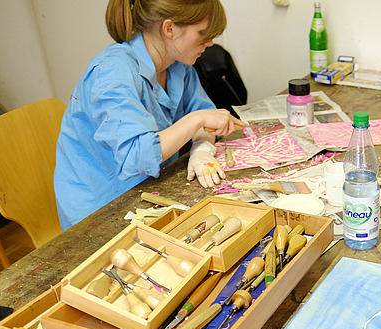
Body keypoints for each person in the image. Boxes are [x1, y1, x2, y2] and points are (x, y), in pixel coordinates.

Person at [54, 0, 245, 229]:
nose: (211, 43)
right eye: (203, 34)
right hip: (101, 209)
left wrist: (202, 149)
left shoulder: (178, 66)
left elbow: (206, 118)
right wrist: (196, 120)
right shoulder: (113, 73)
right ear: (170, 28)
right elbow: (138, 156)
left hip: (151, 190)